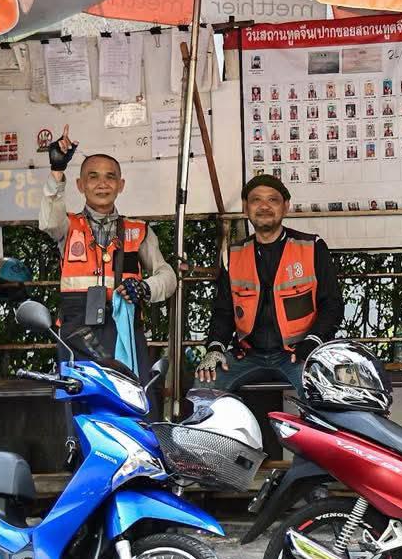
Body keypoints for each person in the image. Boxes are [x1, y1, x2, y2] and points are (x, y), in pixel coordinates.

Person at [39, 125, 176, 381]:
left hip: (124, 329)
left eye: (110, 177)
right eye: (93, 177)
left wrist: (145, 287)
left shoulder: (139, 230)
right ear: (80, 185)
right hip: (76, 334)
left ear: (121, 185)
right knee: (80, 398)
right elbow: (48, 221)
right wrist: (57, 170)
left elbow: (167, 276)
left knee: (133, 396)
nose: (102, 184)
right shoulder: (67, 226)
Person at [198, 175, 343, 397]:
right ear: (246, 208)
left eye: (273, 200)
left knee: (322, 393)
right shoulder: (234, 255)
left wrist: (313, 341)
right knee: (204, 386)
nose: (264, 206)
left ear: (286, 207)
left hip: (297, 353)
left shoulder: (312, 247)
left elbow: (332, 304)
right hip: (247, 355)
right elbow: (224, 311)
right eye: (256, 200)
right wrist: (215, 347)